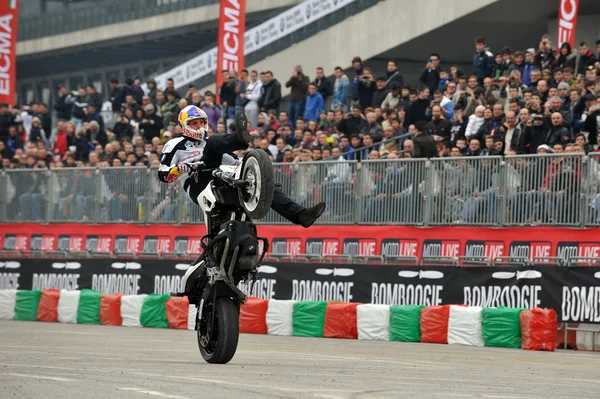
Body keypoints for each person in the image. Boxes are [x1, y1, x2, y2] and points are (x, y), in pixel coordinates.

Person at [158, 107, 325, 227]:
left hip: (221, 179)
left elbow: (236, 163)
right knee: (214, 142)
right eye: (194, 123)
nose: (199, 127)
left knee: (261, 186)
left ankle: (300, 215)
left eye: (202, 122)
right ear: (184, 125)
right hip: (198, 183)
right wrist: (181, 168)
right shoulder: (174, 144)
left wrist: (259, 174)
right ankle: (238, 139)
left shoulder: (212, 145)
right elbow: (163, 174)